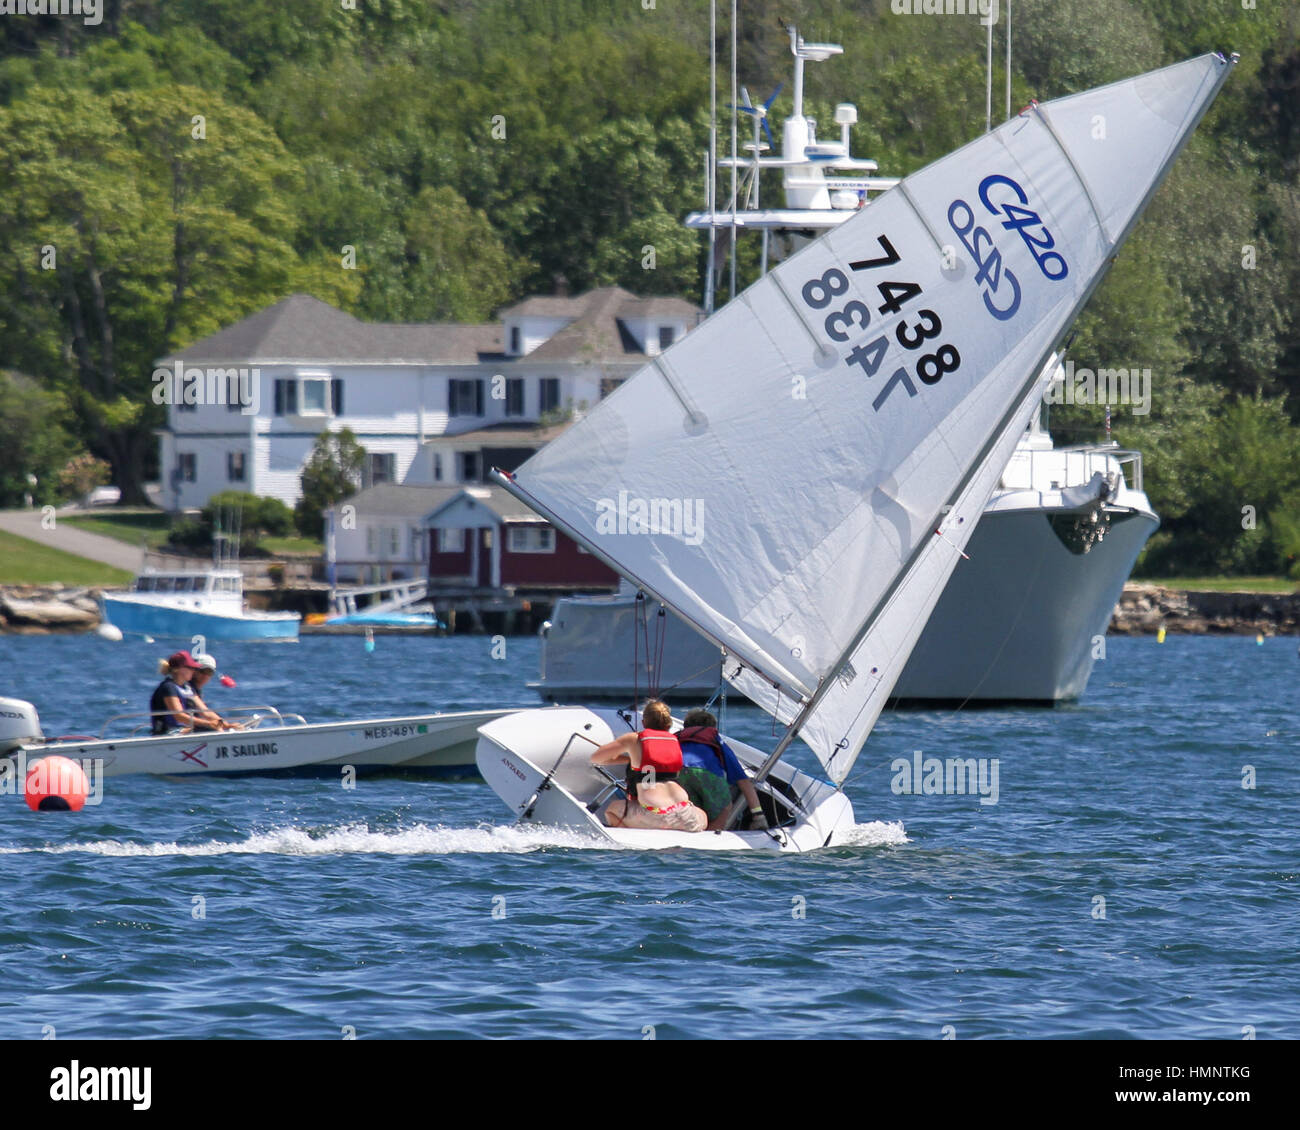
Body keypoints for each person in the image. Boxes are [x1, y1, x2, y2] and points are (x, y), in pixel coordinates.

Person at [589, 700, 706, 832]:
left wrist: (629, 759)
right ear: (668, 724)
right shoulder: (674, 740)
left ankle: (631, 837)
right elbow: (654, 770)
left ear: (644, 722)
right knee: (702, 814)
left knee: (612, 809)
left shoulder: (633, 739)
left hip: (656, 815)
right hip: (685, 814)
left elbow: (596, 758)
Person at [676, 708, 769, 832]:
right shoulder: (715, 740)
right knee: (725, 807)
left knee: (691, 808)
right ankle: (709, 836)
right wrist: (759, 816)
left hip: (679, 772)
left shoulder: (677, 738)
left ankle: (690, 833)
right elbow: (743, 781)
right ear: (712, 728)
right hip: (706, 774)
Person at [186, 653, 243, 731]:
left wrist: (225, 725)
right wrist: (227, 726)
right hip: (182, 729)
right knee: (215, 728)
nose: (205, 675)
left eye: (209, 672)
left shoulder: (196, 689)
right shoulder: (187, 688)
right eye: (203, 671)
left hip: (191, 725)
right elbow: (205, 713)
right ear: (194, 671)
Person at [149, 651, 200, 734]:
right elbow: (179, 716)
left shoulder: (188, 688)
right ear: (179, 669)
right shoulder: (168, 687)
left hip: (183, 730)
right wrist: (209, 724)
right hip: (167, 733)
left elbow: (205, 711)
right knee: (206, 728)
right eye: (191, 668)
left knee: (210, 728)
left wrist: (223, 723)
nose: (193, 671)